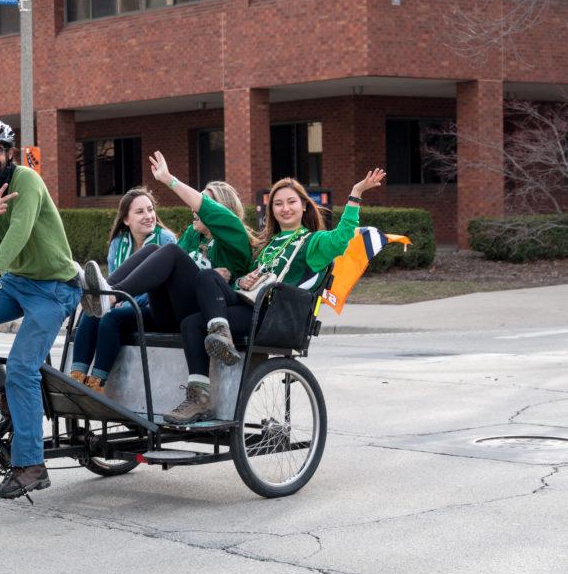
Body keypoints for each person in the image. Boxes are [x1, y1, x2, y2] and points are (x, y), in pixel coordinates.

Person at [166, 170, 387, 424]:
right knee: (197, 304)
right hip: (250, 304)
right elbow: (245, 282)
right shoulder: (267, 244)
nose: (285, 208)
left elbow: (342, 238)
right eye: (278, 204)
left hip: (272, 315)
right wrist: (241, 281)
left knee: (200, 305)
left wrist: (355, 195)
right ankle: (199, 395)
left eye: (291, 202)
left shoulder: (312, 243)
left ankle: (220, 336)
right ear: (271, 210)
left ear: (304, 206)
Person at [0, 118, 82, 499]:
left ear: (9, 153)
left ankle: (31, 465)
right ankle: (4, 389)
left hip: (54, 287)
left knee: (24, 366)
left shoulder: (27, 181)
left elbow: (20, 232)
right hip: (18, 284)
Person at [81, 151, 254, 340]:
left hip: (202, 313)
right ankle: (102, 292)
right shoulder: (193, 235)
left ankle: (111, 296)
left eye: (199, 203)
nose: (193, 207)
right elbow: (174, 272)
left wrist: (168, 179)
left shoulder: (235, 238)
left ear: (220, 213)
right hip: (170, 311)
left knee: (169, 251)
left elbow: (205, 211)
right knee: (154, 251)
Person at [69, 188, 177, 392]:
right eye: (140, 212)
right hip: (123, 303)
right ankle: (76, 377)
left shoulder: (165, 240)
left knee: (111, 317)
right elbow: (114, 278)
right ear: (126, 219)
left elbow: (162, 285)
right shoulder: (118, 244)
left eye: (150, 210)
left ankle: (96, 383)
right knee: (92, 311)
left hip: (154, 307)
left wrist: (122, 300)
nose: (148, 216)